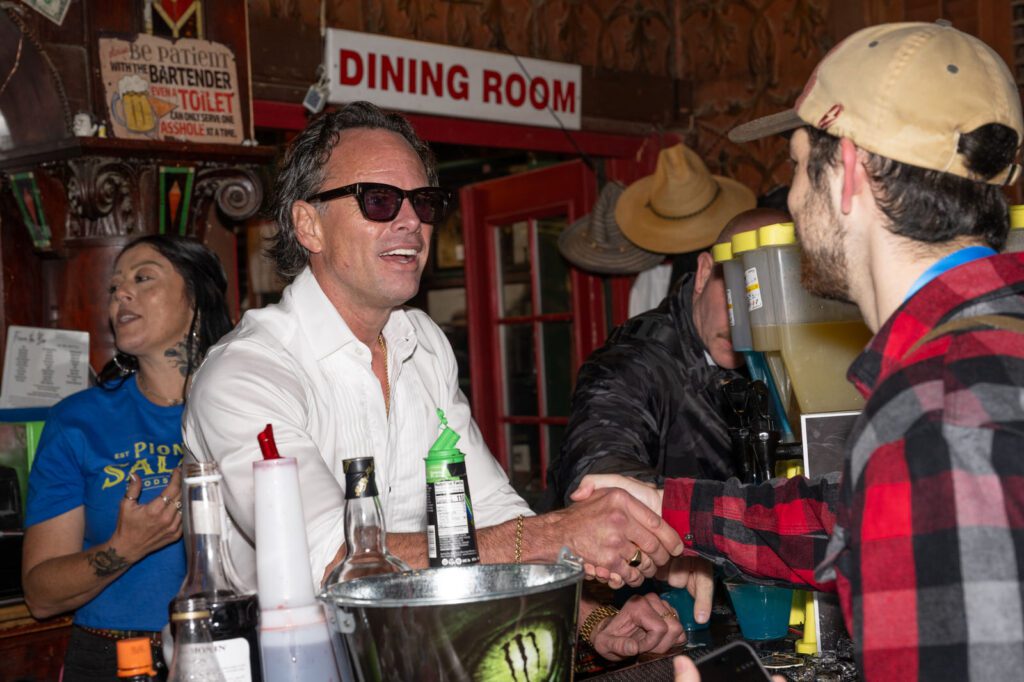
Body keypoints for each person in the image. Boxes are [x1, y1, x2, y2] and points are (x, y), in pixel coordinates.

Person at [574, 20, 1024, 682]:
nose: (789, 200)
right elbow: (845, 515)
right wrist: (665, 504)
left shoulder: (934, 411)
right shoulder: (982, 355)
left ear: (846, 172)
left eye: (793, 163)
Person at [182, 101, 687, 660]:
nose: (410, 223)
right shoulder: (245, 373)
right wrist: (559, 533)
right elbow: (328, 564)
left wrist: (592, 616)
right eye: (378, 200)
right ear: (309, 225)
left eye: (423, 203)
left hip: (421, 655)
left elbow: (494, 510)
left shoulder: (420, 341)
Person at [22, 235, 234, 681]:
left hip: (230, 644)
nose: (121, 293)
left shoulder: (243, 407)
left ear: (195, 299)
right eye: (115, 286)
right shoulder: (78, 421)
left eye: (143, 278)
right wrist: (126, 546)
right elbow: (39, 594)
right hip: (113, 658)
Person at [550, 208, 789, 506]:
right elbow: (598, 471)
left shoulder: (787, 357)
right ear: (703, 273)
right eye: (736, 294)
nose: (746, 321)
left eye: (763, 304)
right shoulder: (630, 364)